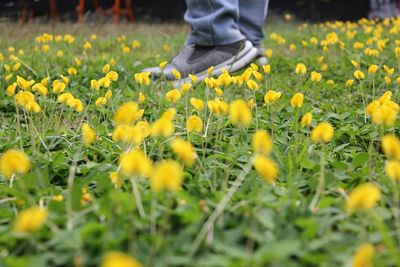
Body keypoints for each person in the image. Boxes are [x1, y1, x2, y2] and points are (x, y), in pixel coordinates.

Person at [143, 0, 270, 82]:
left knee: (216, 31)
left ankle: (213, 38)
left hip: (216, 41)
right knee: (247, 35)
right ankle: (248, 41)